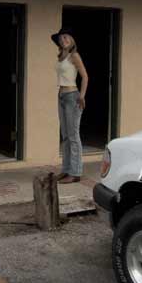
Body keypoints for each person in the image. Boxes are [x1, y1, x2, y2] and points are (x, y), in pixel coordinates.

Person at [51, 27, 89, 184]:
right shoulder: (61, 56)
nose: (63, 40)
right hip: (61, 96)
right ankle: (66, 169)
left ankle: (75, 172)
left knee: (73, 136)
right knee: (65, 136)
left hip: (72, 96)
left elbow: (85, 76)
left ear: (72, 40)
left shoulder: (74, 56)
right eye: (61, 39)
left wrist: (81, 96)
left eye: (66, 37)